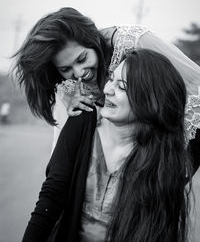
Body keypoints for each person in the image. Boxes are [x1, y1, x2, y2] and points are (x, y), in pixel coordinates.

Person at [22, 49, 192, 242]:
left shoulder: (162, 156)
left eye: (122, 87)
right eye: (111, 79)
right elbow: (51, 196)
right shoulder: (83, 118)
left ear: (150, 99)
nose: (107, 90)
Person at [12, 7, 200, 170]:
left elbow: (196, 91)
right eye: (66, 69)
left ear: (93, 40)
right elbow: (61, 147)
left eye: (82, 59)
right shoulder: (66, 85)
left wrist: (177, 166)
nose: (78, 73)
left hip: (167, 155)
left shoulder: (136, 43)